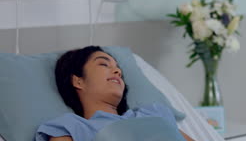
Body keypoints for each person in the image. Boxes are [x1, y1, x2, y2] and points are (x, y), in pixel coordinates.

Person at [35, 46, 195, 141]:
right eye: (104, 64)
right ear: (78, 81)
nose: (117, 71)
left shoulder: (154, 113)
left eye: (118, 68)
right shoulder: (70, 127)